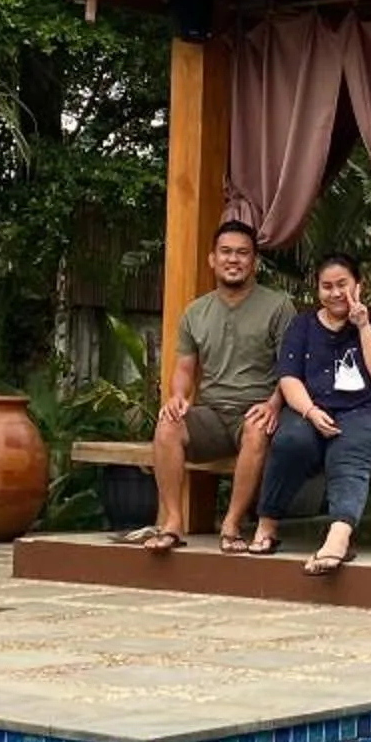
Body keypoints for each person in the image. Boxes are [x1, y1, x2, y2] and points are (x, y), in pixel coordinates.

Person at [123, 220, 292, 554]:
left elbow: (291, 368)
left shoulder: (278, 306)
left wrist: (274, 404)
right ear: (212, 259)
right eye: (226, 252)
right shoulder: (196, 312)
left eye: (243, 253)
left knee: (257, 429)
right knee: (167, 426)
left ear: (254, 261)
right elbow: (185, 368)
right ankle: (172, 523)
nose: (234, 259)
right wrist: (177, 397)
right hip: (212, 414)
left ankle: (231, 524)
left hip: (256, 411)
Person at [252, 252, 371, 577]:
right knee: (290, 440)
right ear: (317, 290)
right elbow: (289, 377)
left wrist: (362, 325)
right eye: (327, 286)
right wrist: (309, 411)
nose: (336, 293)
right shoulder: (303, 324)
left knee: (347, 451)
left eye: (343, 285)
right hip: (313, 409)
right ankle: (267, 525)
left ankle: (338, 538)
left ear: (358, 286)